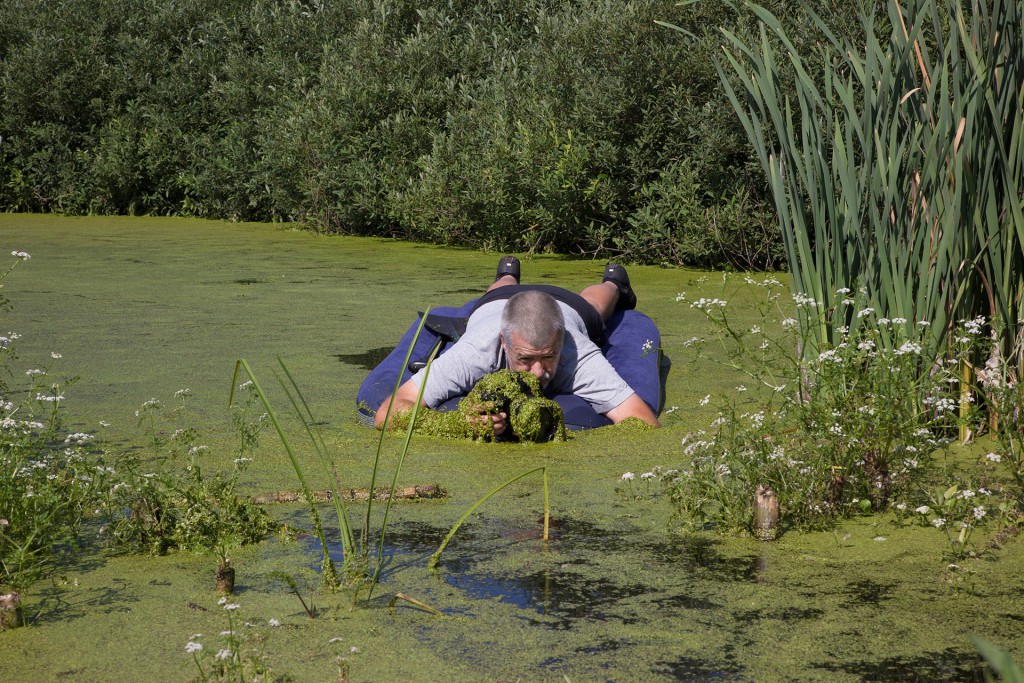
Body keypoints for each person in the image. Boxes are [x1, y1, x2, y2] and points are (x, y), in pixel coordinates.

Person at [373, 256, 661, 434]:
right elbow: (387, 414)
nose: (537, 371)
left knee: (595, 306)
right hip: (496, 304)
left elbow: (643, 422)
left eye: (548, 357)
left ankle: (614, 282)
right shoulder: (475, 352)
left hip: (568, 307)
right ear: (504, 343)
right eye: (524, 359)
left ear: (560, 342)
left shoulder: (579, 355)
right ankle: (506, 275)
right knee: (499, 290)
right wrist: (460, 424)